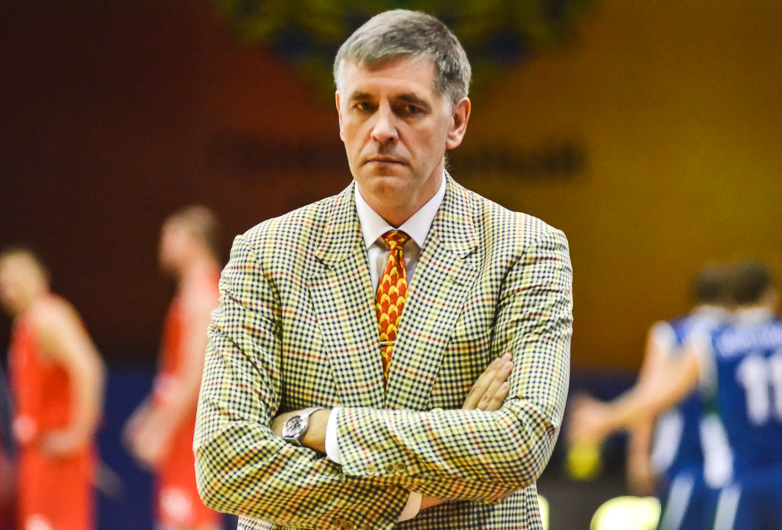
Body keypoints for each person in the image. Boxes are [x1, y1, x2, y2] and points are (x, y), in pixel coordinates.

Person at [194, 10, 573, 530]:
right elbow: (223, 464)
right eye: (363, 106)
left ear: (457, 121)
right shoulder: (266, 253)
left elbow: (520, 444)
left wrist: (322, 428)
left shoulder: (525, 249)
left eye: (409, 108)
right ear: (340, 115)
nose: (382, 130)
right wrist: (414, 495)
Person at [571, 259, 782, 530]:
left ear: (733, 298)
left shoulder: (713, 342)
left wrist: (604, 418)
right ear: (770, 295)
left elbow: (655, 397)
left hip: (737, 482)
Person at [0, 246, 106, 530]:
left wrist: (79, 433)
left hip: (57, 457)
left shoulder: (50, 316)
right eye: (3, 284)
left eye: (16, 280)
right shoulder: (25, 323)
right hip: (36, 456)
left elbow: (89, 368)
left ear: (38, 277)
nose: (9, 291)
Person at [124, 206, 222, 530]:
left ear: (194, 241)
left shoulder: (203, 294)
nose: (163, 245)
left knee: (192, 522)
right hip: (182, 426)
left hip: (192, 428)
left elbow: (197, 373)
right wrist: (150, 415)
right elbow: (173, 372)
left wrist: (163, 428)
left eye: (171, 236)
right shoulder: (189, 292)